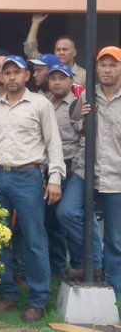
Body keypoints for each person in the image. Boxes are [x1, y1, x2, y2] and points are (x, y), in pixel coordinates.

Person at [0, 55, 65, 323]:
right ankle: (8, 294)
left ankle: (38, 299)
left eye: (16, 72)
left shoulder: (40, 104)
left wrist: (55, 178)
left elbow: (53, 144)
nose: (11, 77)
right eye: (6, 72)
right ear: (0, 76)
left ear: (26, 76)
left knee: (35, 240)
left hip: (28, 177)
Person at [60, 46, 121, 299]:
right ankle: (93, 263)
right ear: (96, 68)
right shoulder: (86, 95)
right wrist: (81, 114)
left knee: (116, 240)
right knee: (67, 212)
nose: (107, 70)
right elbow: (72, 121)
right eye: (102, 65)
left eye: (113, 65)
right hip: (86, 171)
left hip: (117, 175)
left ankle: (114, 292)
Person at [42, 64, 90, 279]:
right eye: (53, 78)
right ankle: (57, 269)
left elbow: (84, 138)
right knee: (52, 221)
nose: (57, 82)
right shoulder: (44, 104)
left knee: (68, 216)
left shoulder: (77, 104)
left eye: (62, 78)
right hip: (49, 168)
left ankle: (81, 263)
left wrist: (78, 168)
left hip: (71, 168)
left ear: (72, 81)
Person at [24, 14, 87, 86]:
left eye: (65, 49)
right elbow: (30, 50)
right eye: (58, 50)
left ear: (74, 52)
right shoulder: (45, 63)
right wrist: (35, 23)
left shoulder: (83, 75)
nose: (61, 52)